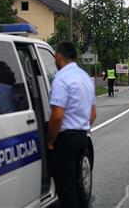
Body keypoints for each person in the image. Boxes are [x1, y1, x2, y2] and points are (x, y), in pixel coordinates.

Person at [48, 41, 96, 208]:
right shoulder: (85, 77)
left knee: (66, 189)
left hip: (65, 140)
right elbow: (93, 114)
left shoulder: (60, 79)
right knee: (78, 185)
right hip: (82, 137)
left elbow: (57, 117)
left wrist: (50, 141)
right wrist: (81, 127)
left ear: (59, 56)